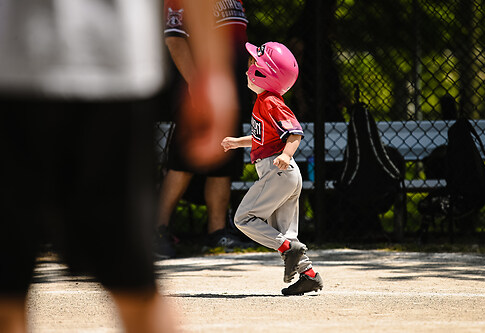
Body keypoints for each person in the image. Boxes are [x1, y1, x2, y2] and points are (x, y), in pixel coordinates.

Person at [0, 0, 240, 331]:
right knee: (5, 289)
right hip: (17, 66)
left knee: (134, 285)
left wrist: (212, 72)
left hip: (112, 67)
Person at [221, 41, 324, 296]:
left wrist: (287, 156)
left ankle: (288, 248)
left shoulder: (270, 102)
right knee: (285, 233)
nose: (248, 70)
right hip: (283, 175)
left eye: (253, 65)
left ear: (266, 75)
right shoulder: (263, 102)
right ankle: (309, 275)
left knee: (243, 218)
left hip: (278, 171)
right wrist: (238, 142)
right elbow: (264, 138)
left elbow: (294, 132)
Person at [155, 0, 254, 258]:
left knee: (224, 158)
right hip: (199, 92)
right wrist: (196, 83)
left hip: (228, 91)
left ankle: (216, 232)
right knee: (182, 162)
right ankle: (157, 230)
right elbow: (174, 39)